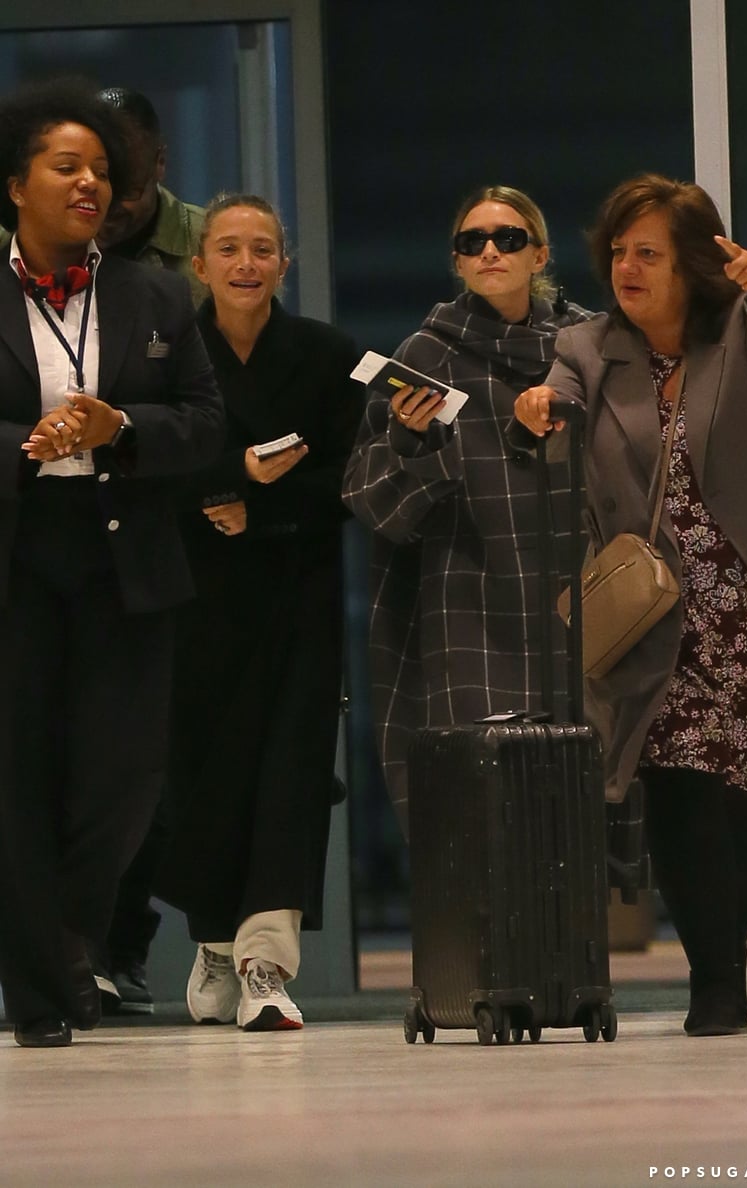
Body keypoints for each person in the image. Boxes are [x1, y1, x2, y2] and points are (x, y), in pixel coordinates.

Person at [513, 172, 747, 1037]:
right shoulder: (588, 347)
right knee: (675, 786)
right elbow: (557, 396)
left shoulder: (739, 332)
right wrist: (536, 409)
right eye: (620, 252)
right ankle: (715, 979)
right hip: (653, 605)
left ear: (691, 267)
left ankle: (727, 960)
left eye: (650, 254)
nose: (628, 268)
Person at [0, 78, 224, 1048]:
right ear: (16, 184)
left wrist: (121, 424)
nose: (89, 182)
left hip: (127, 556)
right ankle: (44, 988)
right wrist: (25, 443)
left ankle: (55, 942)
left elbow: (210, 426)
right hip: (18, 551)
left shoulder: (160, 292)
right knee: (18, 780)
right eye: (65, 166)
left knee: (123, 784)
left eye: (100, 168)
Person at [153, 193, 362, 1031]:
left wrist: (265, 511)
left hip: (295, 595)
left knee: (290, 777)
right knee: (204, 776)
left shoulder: (326, 354)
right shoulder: (166, 356)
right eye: (229, 248)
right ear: (198, 264)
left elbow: (355, 476)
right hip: (191, 599)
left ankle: (265, 967)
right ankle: (213, 944)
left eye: (263, 249)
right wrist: (230, 483)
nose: (246, 263)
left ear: (285, 263)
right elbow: (146, 466)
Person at [342, 185, 594, 835]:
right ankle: (490, 939)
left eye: (508, 238)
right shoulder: (424, 354)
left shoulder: (585, 344)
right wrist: (413, 438)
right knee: (484, 799)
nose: (489, 251)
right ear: (456, 262)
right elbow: (367, 495)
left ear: (540, 256)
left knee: (576, 791)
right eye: (471, 242)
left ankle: (568, 936)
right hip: (469, 595)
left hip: (576, 586)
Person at [93, 85, 207, 1015]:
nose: (106, 187)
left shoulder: (199, 254)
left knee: (159, 758)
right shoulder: (34, 258)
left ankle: (119, 943)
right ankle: (69, 947)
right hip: (67, 527)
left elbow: (225, 394)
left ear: (158, 167)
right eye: (90, 167)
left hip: (185, 521)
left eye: (124, 168)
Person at [96, 87, 206, 307]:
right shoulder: (28, 238)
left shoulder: (212, 240)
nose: (107, 204)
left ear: (160, 162)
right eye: (97, 186)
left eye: (126, 190)